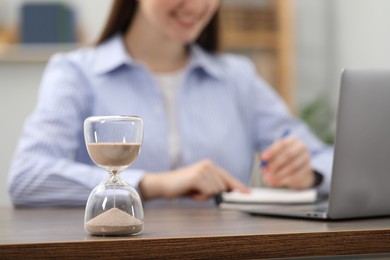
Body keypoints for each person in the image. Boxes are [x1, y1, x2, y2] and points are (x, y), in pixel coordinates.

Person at [8, 0, 333, 208]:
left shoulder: (238, 78)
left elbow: (329, 159)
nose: (198, 5)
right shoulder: (77, 73)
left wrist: (310, 173)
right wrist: (152, 183)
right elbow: (27, 176)